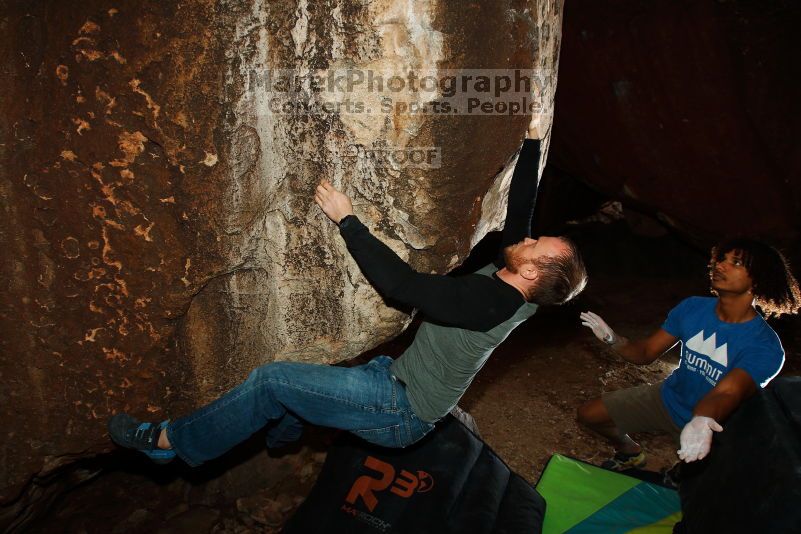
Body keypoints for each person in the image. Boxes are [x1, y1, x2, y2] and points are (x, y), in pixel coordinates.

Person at [107, 117, 588, 466]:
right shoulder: (523, 287)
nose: (526, 239)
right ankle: (287, 426)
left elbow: (400, 284)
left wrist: (347, 219)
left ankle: (168, 443)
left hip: (399, 410)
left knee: (274, 381)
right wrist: (531, 143)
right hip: (394, 379)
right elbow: (520, 215)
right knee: (304, 386)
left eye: (534, 245)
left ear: (533, 272)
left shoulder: (489, 303)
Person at [577, 238, 800, 471]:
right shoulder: (693, 308)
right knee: (589, 415)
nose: (720, 266)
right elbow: (645, 353)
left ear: (758, 279)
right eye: (721, 259)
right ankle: (630, 452)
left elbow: (727, 391)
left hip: (716, 424)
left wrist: (701, 420)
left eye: (736, 263)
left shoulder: (765, 347)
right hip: (668, 398)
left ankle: (683, 474)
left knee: (700, 488)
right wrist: (613, 339)